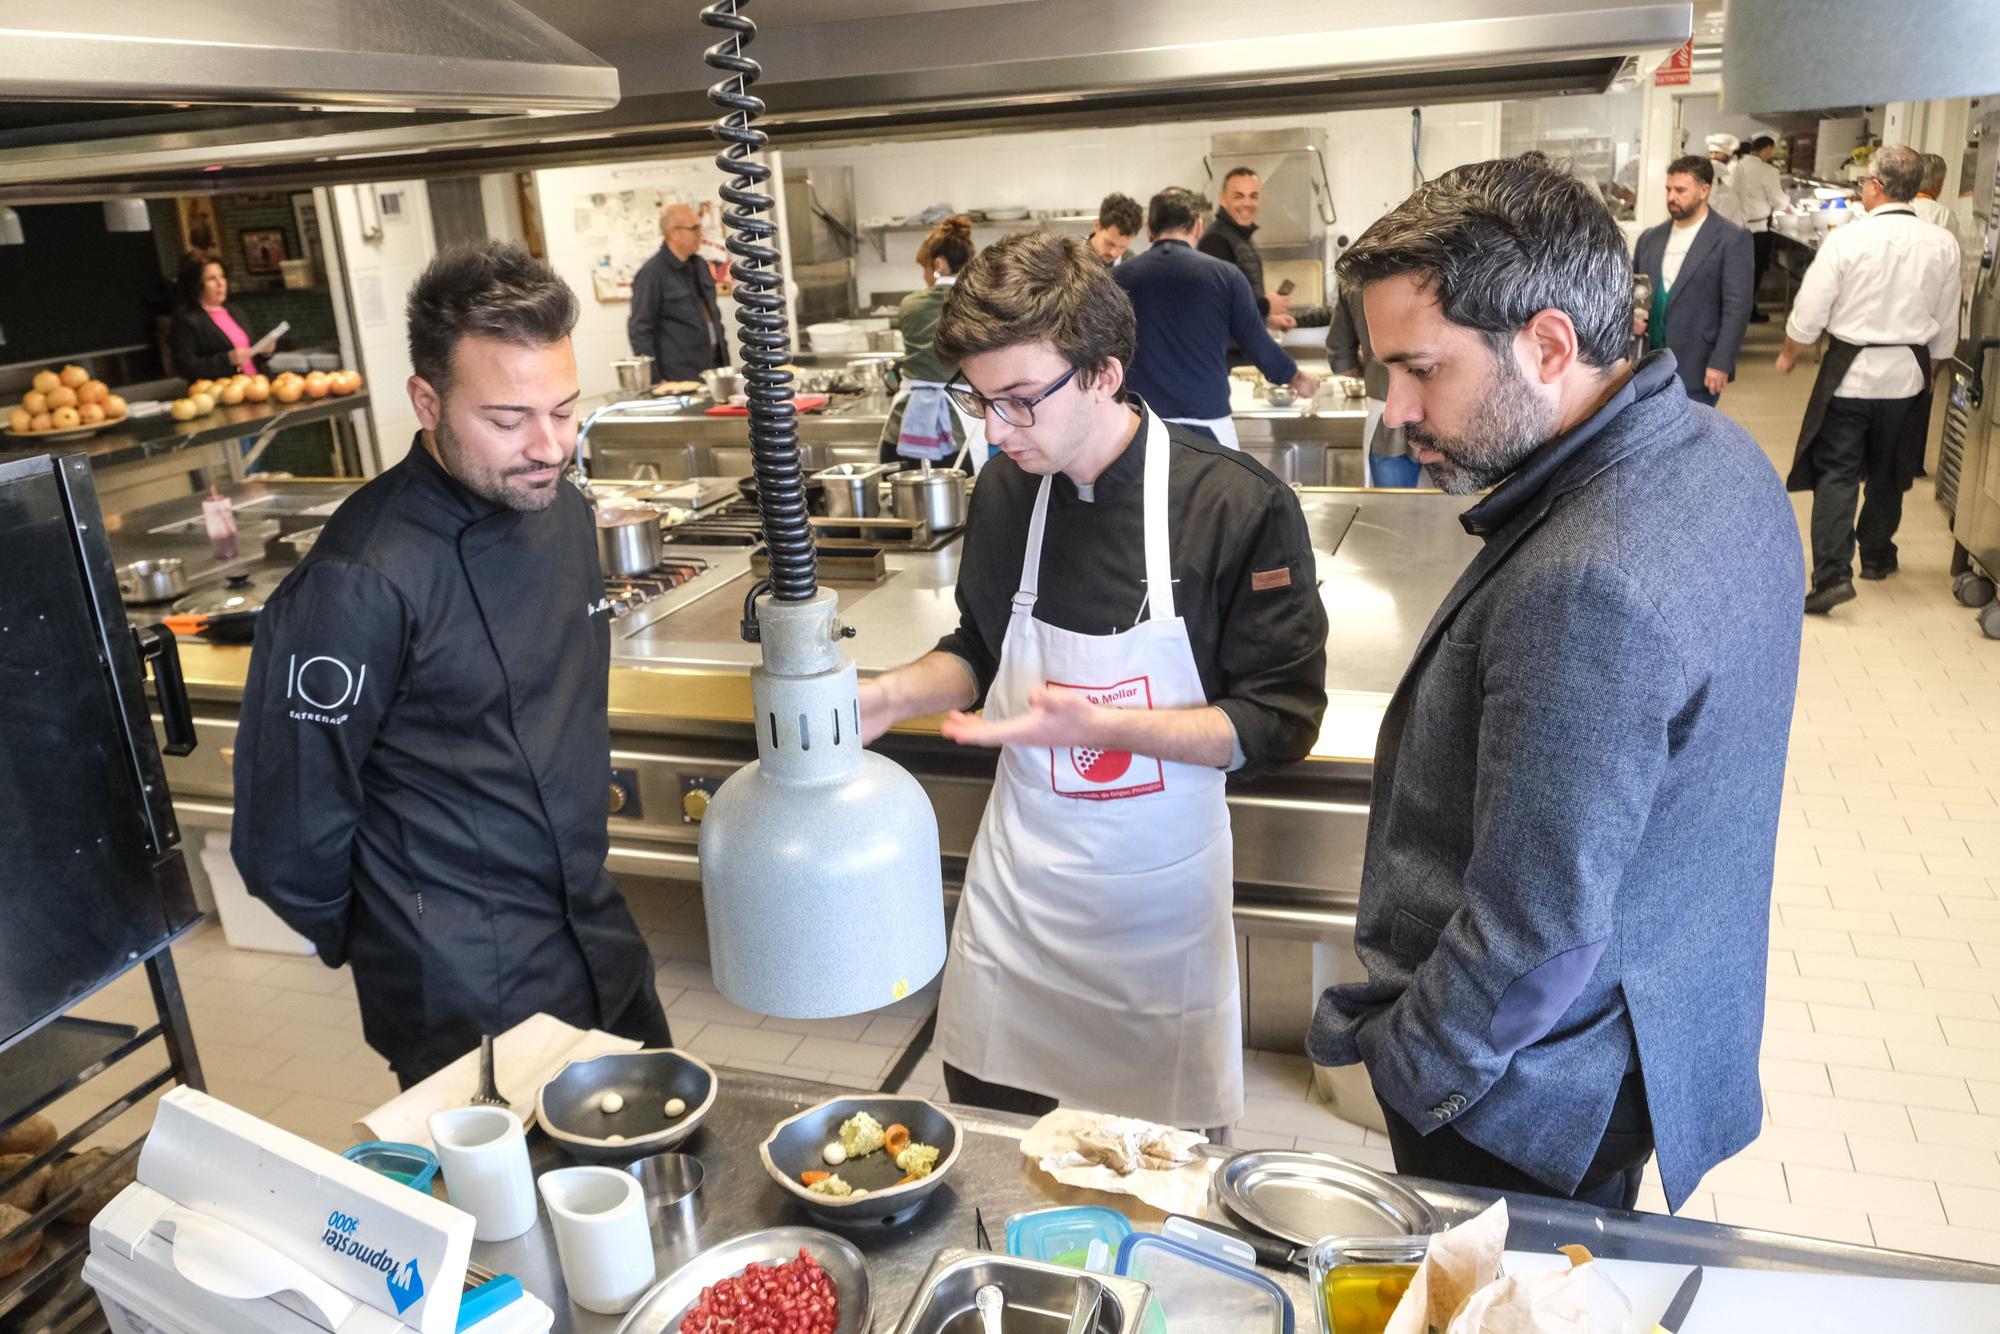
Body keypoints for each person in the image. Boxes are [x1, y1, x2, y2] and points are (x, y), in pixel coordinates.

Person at [1307, 153, 1803, 1214]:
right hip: (1656, 1011)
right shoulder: (1715, 451)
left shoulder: (1589, 579)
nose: (1394, 408)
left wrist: (1415, 1068)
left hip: (1530, 1091)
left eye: (1420, 368)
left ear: (1545, 344)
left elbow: (1533, 930)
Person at [858, 230, 1328, 1129]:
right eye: (980, 401)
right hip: (1022, 894)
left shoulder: (1234, 506)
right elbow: (980, 651)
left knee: (1164, 1171)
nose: (996, 431)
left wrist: (1105, 730)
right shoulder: (1005, 490)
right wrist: (888, 695)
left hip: (1156, 908)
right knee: (992, 1124)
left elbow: (1278, 721)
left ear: (1105, 373)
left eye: (1020, 402)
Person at [233, 242, 671, 1087]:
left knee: (654, 1178)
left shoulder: (564, 511)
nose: (549, 446)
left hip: (596, 933)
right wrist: (407, 935)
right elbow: (285, 837)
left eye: (566, 410)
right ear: (426, 401)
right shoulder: (359, 581)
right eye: (508, 420)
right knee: (515, 1218)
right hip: (463, 989)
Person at [1779, 144, 1960, 613]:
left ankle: (1833, 574)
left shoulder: (1848, 239)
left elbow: (1811, 309)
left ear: (1876, 187)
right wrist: (1934, 370)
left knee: (1836, 472)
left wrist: (1791, 350)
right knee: (1891, 471)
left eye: (1864, 182)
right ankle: (1877, 556)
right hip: (1906, 377)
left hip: (1850, 377)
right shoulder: (1941, 242)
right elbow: (1946, 322)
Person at [1113, 188, 1319, 450]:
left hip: (1137, 422)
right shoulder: (1226, 275)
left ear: (1149, 230)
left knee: (1144, 492)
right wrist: (1298, 379)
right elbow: (1258, 343)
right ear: (1198, 227)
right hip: (1208, 420)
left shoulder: (1117, 279)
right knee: (1219, 491)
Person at [1631, 155, 1754, 406]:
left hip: (1698, 365)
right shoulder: (1650, 239)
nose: (1671, 197)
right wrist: (1634, 317)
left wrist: (1721, 361)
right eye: (1668, 189)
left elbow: (1737, 308)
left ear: (1704, 190)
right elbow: (1635, 291)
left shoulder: (1731, 239)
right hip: (1650, 364)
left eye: (1680, 190)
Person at [880, 215, 988, 469]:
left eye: (925, 268)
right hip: (961, 425)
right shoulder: (980, 303)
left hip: (904, 426)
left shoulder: (910, 304)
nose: (924, 276)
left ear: (938, 264)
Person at [1198, 166, 1329, 332]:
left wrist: (1266, 319)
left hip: (1242, 347)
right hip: (1229, 354)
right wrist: (1266, 305)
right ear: (1223, 199)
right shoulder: (1216, 241)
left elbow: (1241, 304)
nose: (1247, 203)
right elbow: (1218, 307)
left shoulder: (1241, 238)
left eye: (1253, 196)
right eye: (1239, 196)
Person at [1327, 284, 1419, 486]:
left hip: (1387, 420)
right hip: (1450, 419)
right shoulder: (1455, 265)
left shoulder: (1356, 276)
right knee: (1454, 512)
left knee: (1391, 512)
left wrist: (1373, 369)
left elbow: (1341, 360)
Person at [628, 204, 728, 383]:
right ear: (673, 233)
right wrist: (656, 379)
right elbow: (640, 329)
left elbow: (713, 317)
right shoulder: (652, 274)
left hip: (714, 369)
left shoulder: (700, 265)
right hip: (678, 376)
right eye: (694, 228)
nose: (700, 234)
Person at [169, 253, 273, 380]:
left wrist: (264, 352)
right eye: (211, 279)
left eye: (222, 277)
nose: (220, 283)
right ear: (197, 284)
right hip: (221, 391)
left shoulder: (236, 311)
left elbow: (249, 356)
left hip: (255, 386)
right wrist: (226, 360)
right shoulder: (187, 320)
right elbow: (185, 368)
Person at [1730, 136, 1788, 322]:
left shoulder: (1738, 166)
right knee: (1755, 274)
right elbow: (1778, 200)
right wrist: (1788, 206)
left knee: (1740, 274)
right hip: (1759, 229)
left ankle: (1739, 312)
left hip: (1738, 227)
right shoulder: (1768, 170)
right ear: (1767, 149)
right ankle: (1750, 312)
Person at [1701, 134, 1748, 226]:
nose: (1713, 156)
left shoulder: (1732, 168)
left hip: (1732, 220)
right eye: (1711, 153)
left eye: (1717, 153)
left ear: (1727, 154)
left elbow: (1722, 202)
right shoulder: (1723, 167)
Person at [1089, 193, 1143, 267]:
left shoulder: (1132, 263)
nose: (1114, 253)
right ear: (1097, 225)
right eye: (1110, 243)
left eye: (1123, 247)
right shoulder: (1072, 257)